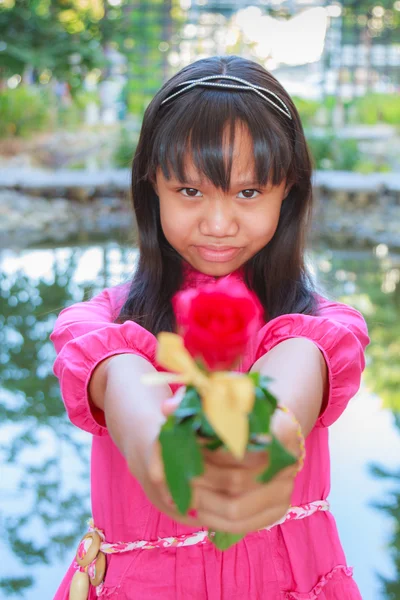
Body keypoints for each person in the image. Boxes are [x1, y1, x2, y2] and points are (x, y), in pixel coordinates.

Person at [50, 55, 369, 600]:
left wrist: (264, 447)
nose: (218, 224)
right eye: (190, 191)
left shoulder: (323, 329)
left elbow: (289, 381)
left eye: (248, 193)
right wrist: (156, 449)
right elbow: (123, 382)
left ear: (287, 190)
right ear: (152, 186)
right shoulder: (98, 326)